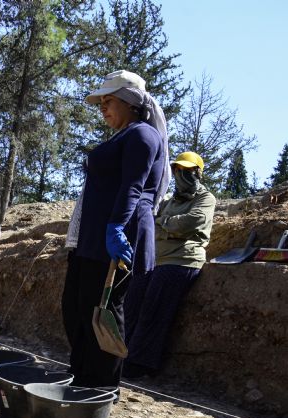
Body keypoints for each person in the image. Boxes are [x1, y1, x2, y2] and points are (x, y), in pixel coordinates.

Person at [62, 70, 169, 388]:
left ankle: (101, 388)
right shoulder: (123, 135)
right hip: (93, 239)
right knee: (76, 308)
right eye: (100, 103)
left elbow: (133, 188)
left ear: (130, 101)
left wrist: (116, 228)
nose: (102, 108)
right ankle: (81, 376)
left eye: (108, 100)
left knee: (103, 311)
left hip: (116, 238)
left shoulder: (142, 135)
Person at [122, 152, 216, 379]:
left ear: (197, 172)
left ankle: (140, 363)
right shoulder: (170, 201)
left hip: (182, 260)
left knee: (153, 309)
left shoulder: (206, 198)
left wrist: (164, 223)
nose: (181, 174)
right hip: (157, 259)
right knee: (131, 302)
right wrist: (168, 226)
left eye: (187, 170)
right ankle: (120, 355)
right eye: (177, 170)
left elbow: (190, 222)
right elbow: (153, 223)